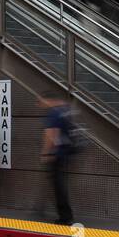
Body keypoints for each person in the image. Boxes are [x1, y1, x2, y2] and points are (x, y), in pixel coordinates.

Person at [39, 90, 76, 225]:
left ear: (47, 100)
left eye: (40, 101)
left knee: (58, 186)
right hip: (66, 152)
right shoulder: (65, 109)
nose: (39, 105)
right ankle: (66, 214)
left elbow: (51, 134)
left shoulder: (53, 113)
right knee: (60, 185)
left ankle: (65, 217)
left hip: (56, 154)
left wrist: (46, 153)